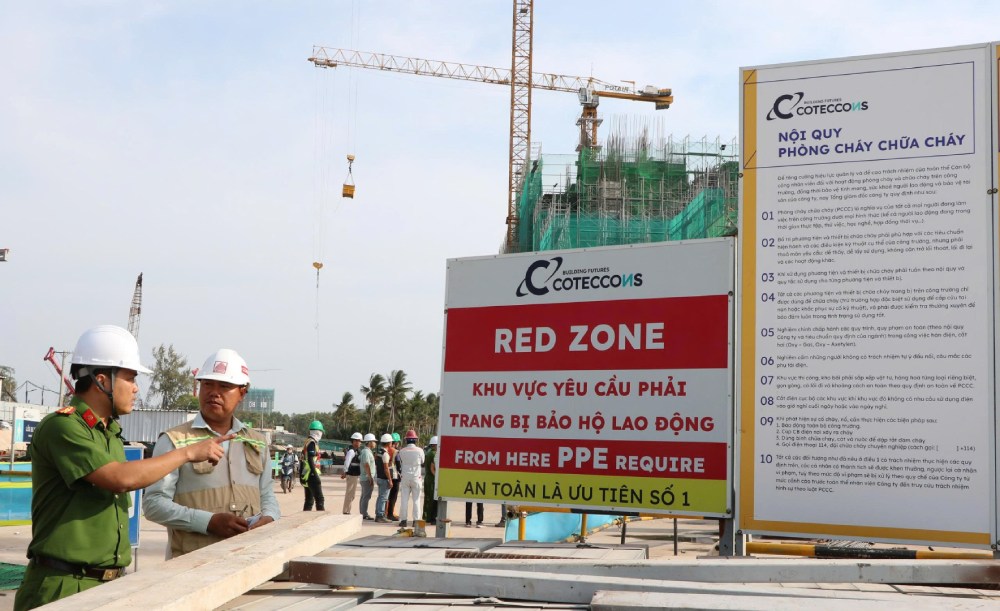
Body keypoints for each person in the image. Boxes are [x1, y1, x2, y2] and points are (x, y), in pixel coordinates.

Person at [15, 326, 230, 611]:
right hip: (63, 586)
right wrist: (188, 452)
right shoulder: (63, 427)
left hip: (108, 586)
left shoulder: (110, 433)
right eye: (130, 378)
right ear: (101, 379)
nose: (136, 387)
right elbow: (120, 478)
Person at [143, 348, 280, 559]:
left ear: (242, 393)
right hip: (191, 565)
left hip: (247, 561)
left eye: (224, 386)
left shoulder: (257, 442)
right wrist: (207, 522)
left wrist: (269, 517)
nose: (214, 392)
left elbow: (267, 495)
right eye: (207, 384)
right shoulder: (174, 441)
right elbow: (153, 504)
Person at [397, 430, 425, 528]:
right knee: (416, 500)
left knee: (404, 500)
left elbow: (400, 461)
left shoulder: (402, 451)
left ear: (406, 440)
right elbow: (422, 461)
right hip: (416, 477)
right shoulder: (420, 451)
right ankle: (416, 521)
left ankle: (403, 520)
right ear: (415, 440)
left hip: (405, 477)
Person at [301, 420, 325, 511]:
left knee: (309, 501)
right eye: (321, 432)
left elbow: (303, 459)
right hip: (311, 474)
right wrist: (315, 475)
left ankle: (305, 518)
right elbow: (310, 459)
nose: (321, 434)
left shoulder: (308, 442)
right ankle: (320, 517)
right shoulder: (312, 443)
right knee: (320, 499)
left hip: (307, 475)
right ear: (318, 432)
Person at [340, 432, 362, 514]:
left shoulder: (356, 451)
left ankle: (347, 510)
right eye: (357, 441)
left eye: (360, 441)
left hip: (354, 475)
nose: (359, 443)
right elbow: (347, 461)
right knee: (350, 494)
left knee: (352, 494)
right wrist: (344, 472)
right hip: (351, 474)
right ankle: (346, 511)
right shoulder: (352, 451)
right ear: (354, 441)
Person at [374, 433, 394, 522]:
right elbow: (386, 468)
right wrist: (390, 480)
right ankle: (380, 515)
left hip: (379, 477)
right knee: (383, 498)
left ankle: (378, 514)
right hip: (384, 478)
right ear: (389, 443)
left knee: (380, 496)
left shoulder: (379, 452)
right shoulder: (385, 454)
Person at [358, 433, 377, 520]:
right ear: (369, 442)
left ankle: (362, 513)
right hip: (367, 477)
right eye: (373, 441)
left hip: (365, 477)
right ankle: (364, 514)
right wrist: (370, 477)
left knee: (364, 496)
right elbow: (366, 464)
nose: (375, 443)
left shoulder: (366, 451)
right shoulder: (366, 452)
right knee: (366, 496)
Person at [422, 435, 438, 527]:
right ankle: (431, 517)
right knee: (432, 499)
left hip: (427, 478)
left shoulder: (428, 452)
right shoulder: (434, 454)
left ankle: (425, 516)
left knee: (427, 498)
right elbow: (433, 468)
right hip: (432, 478)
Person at [386, 432, 402, 520]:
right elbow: (399, 465)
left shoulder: (385, 450)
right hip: (395, 476)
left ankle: (385, 512)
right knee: (393, 496)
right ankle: (390, 514)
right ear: (395, 442)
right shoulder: (395, 452)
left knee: (386, 495)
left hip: (386, 475)